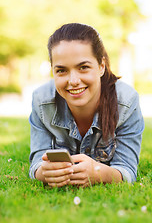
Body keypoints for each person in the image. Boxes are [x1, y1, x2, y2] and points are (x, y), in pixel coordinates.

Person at [29, 23, 144, 188]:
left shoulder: (126, 102)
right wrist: (44, 172)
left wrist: (98, 172)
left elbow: (127, 169)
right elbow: (37, 162)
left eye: (83, 67)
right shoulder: (42, 101)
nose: (73, 81)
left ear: (101, 66)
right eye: (61, 70)